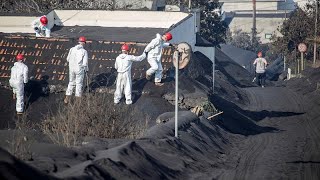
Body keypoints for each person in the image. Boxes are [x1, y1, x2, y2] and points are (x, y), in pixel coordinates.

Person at [64, 36, 88, 103]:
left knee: (71, 82)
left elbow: (67, 59)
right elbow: (85, 63)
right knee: (79, 84)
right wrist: (86, 70)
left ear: (79, 42)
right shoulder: (84, 51)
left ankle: (66, 99)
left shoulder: (72, 49)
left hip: (71, 68)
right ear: (84, 43)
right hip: (79, 69)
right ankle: (78, 101)